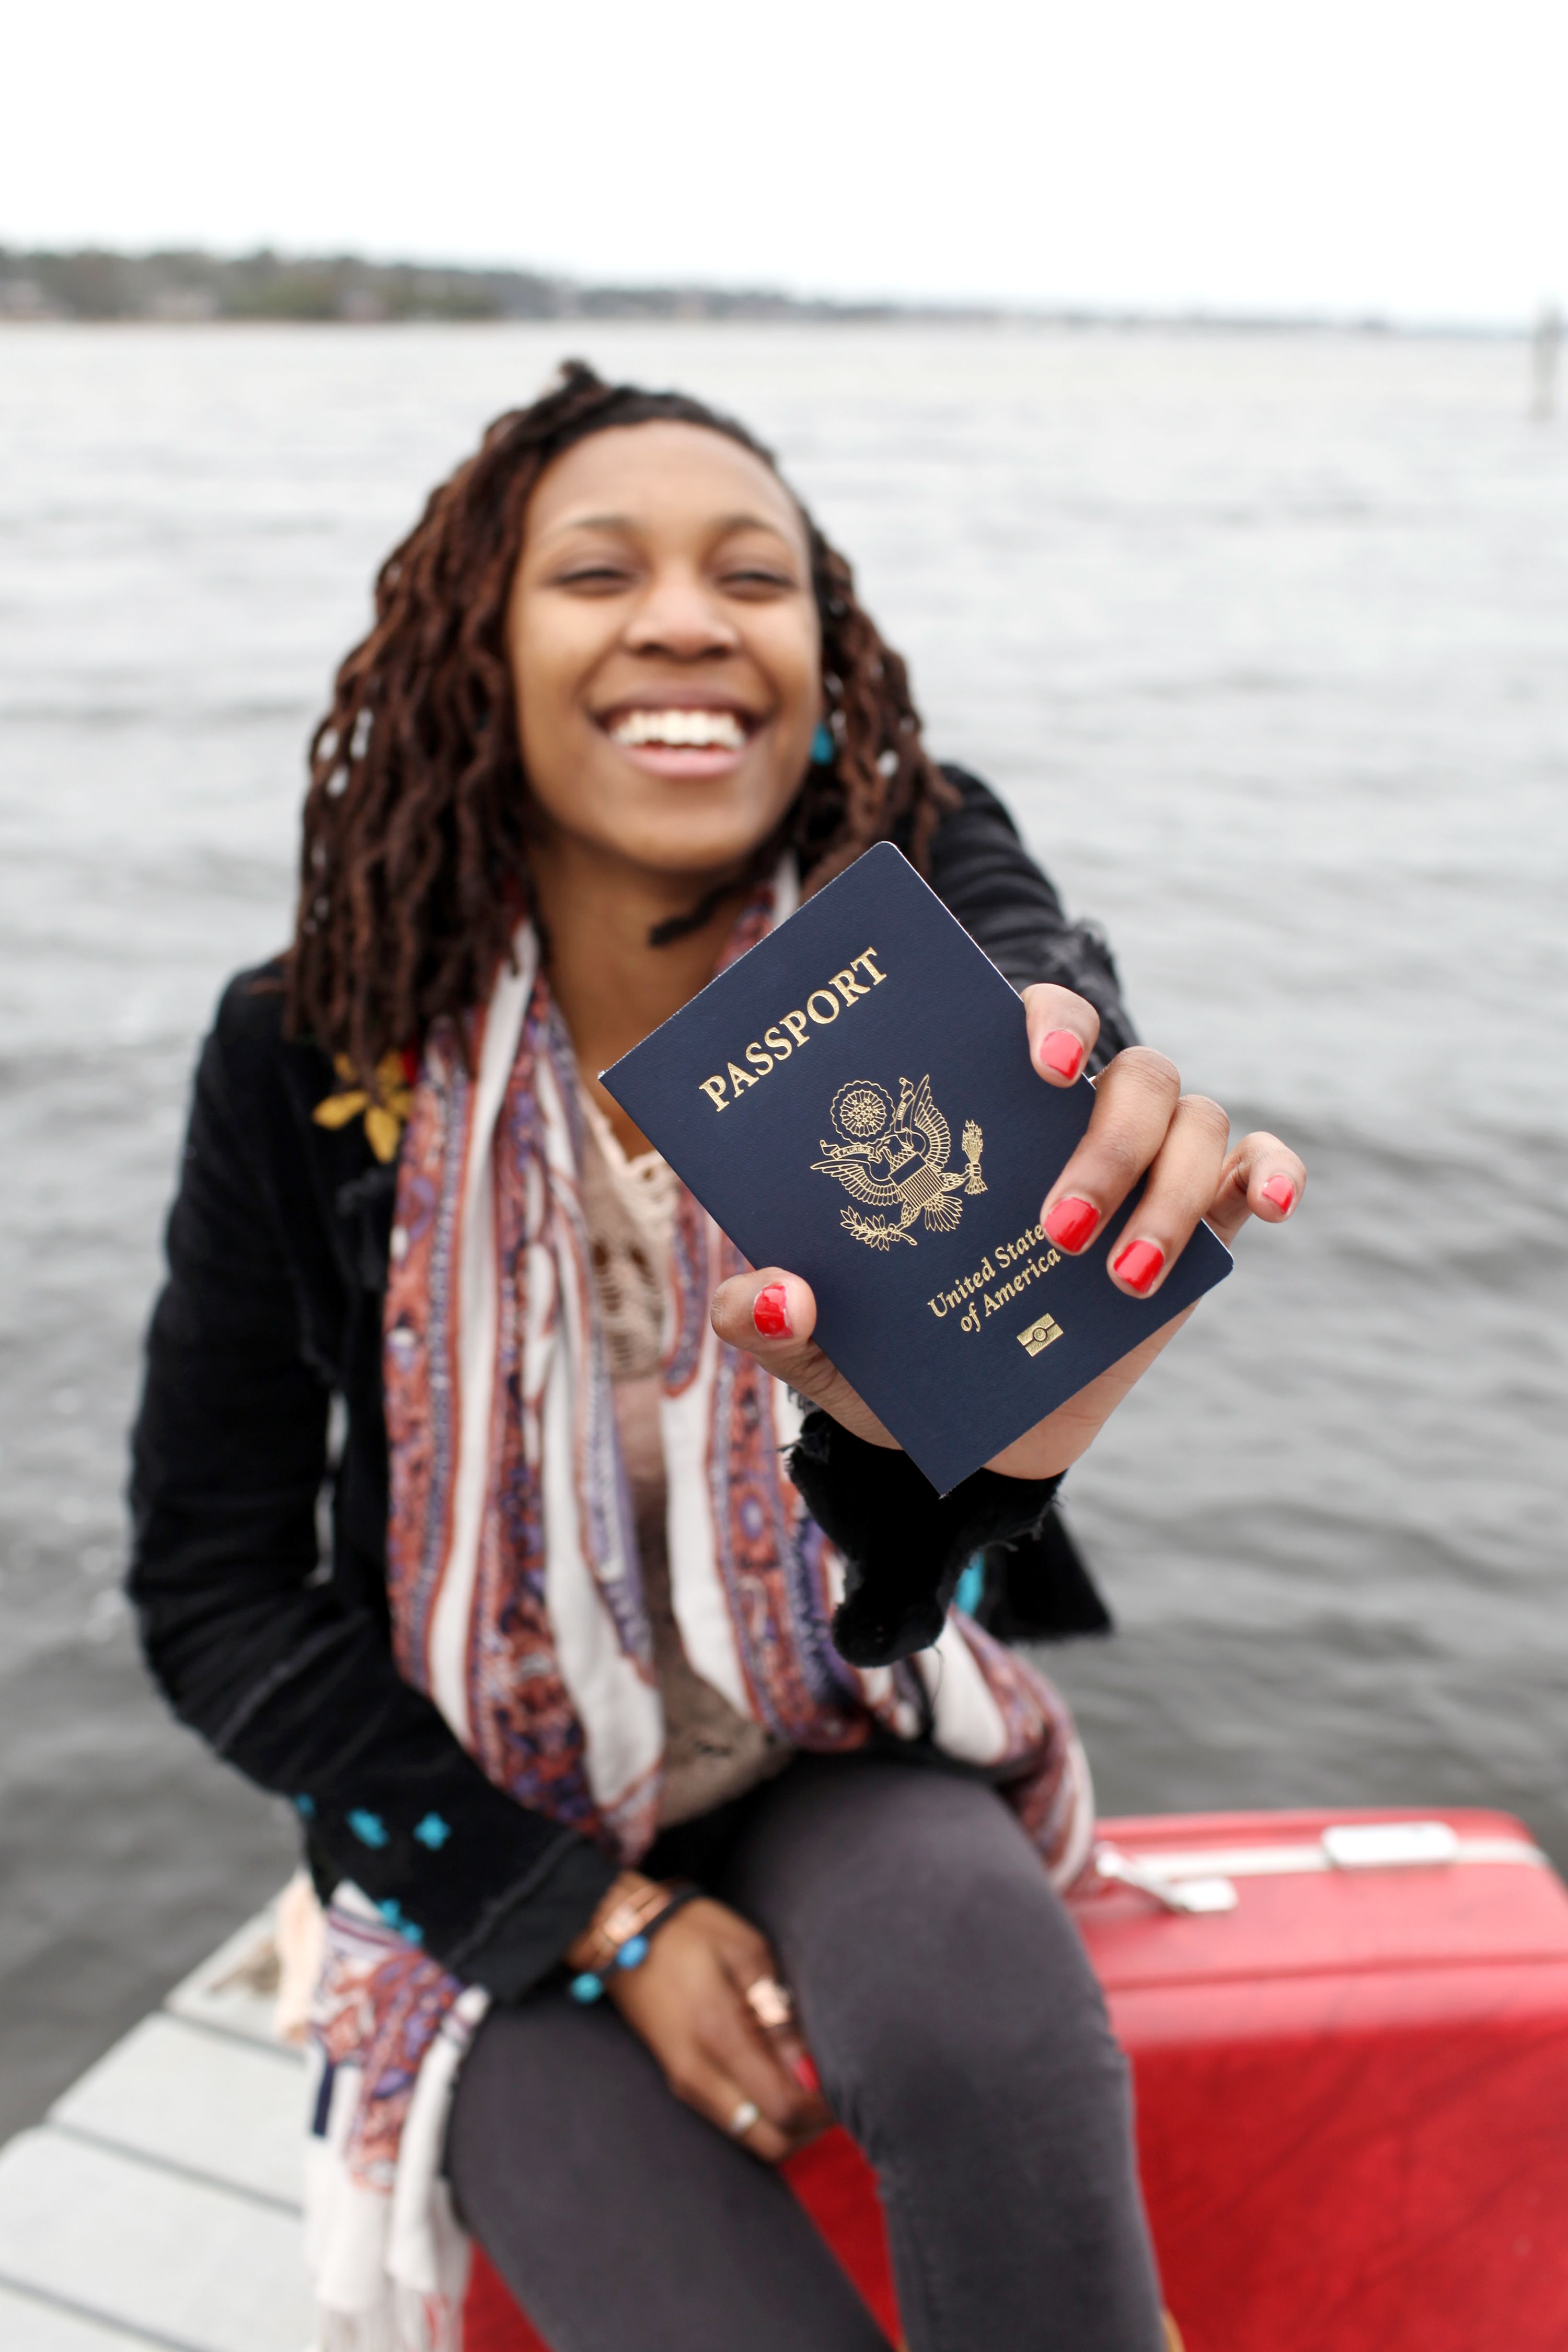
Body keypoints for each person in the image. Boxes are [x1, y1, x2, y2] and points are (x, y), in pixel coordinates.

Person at [129, 361, 1305, 2352]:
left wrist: (1069, 1103)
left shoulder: (906, 924)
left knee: (987, 2025)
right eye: (600, 573)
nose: (686, 616)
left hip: (834, 1716)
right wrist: (600, 1918)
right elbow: (211, 1589)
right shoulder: (308, 1045)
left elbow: (1032, 963)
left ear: (823, 674)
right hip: (480, 1801)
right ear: (480, 660)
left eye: (753, 578)